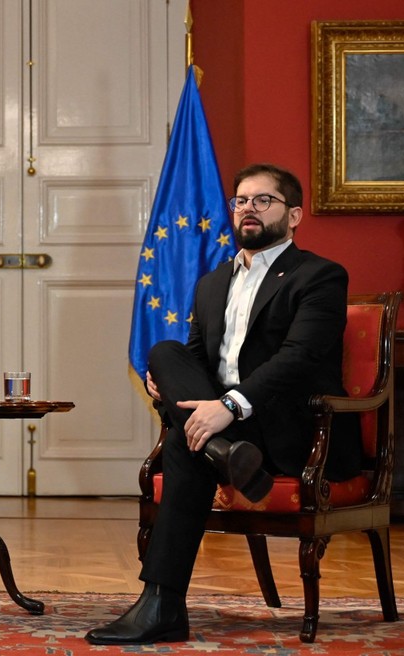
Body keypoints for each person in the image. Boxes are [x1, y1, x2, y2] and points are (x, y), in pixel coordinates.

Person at [85, 163, 361, 645]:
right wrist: (167, 388)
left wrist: (228, 408)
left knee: (183, 444)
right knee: (165, 353)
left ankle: (161, 606)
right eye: (240, 200)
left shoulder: (319, 276)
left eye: (262, 200)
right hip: (234, 435)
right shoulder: (213, 283)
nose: (247, 209)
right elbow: (192, 361)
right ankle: (223, 454)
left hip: (290, 429)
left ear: (294, 215)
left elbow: (299, 360)